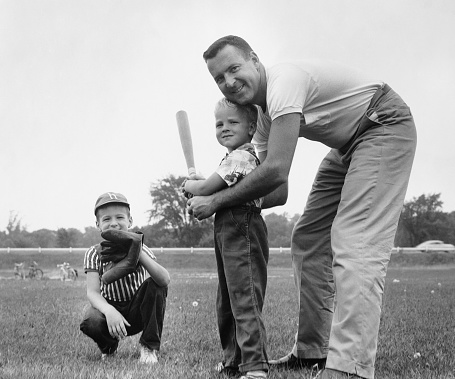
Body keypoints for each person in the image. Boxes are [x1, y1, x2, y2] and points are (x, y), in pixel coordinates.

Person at [187, 35, 417, 379]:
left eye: (234, 69)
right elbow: (277, 191)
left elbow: (276, 168)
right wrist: (227, 202)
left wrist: (215, 199)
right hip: (346, 145)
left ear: (254, 59)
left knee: (355, 242)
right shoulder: (263, 118)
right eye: (219, 78)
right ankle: (312, 352)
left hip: (382, 123)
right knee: (309, 239)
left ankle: (349, 368)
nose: (229, 82)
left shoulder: (284, 83)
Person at [184, 98, 269, 379]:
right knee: (228, 300)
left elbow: (209, 186)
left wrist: (191, 185)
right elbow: (211, 184)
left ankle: (255, 366)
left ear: (251, 127)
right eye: (219, 123)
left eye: (233, 122)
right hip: (227, 229)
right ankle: (234, 360)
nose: (224, 128)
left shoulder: (244, 156)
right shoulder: (231, 158)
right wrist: (199, 184)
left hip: (242, 226)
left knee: (244, 297)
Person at [80, 192, 170, 364]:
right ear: (98, 224)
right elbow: (92, 293)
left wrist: (137, 251)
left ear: (130, 221)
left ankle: (149, 347)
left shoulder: (143, 249)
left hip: (137, 312)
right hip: (110, 312)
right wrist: (109, 311)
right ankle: (109, 347)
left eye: (119, 217)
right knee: (90, 319)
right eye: (106, 219)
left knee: (156, 284)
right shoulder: (93, 253)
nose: (114, 223)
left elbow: (164, 280)